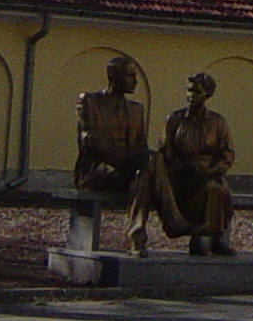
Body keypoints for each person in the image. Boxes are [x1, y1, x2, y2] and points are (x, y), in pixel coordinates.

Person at [129, 72, 236, 256]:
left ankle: (213, 237)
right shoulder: (175, 119)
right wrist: (180, 166)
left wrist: (211, 169)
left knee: (217, 188)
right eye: (189, 91)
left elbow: (226, 153)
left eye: (196, 92)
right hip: (179, 176)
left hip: (206, 175)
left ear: (207, 94)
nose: (191, 96)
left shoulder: (218, 122)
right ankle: (180, 228)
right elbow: (164, 150)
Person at [73, 56, 147, 194]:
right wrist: (126, 164)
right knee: (148, 172)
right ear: (113, 75)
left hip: (128, 171)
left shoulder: (136, 109)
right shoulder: (90, 101)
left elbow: (141, 146)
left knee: (153, 163)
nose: (135, 81)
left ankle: (167, 213)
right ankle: (170, 213)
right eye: (129, 76)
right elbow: (90, 141)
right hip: (98, 172)